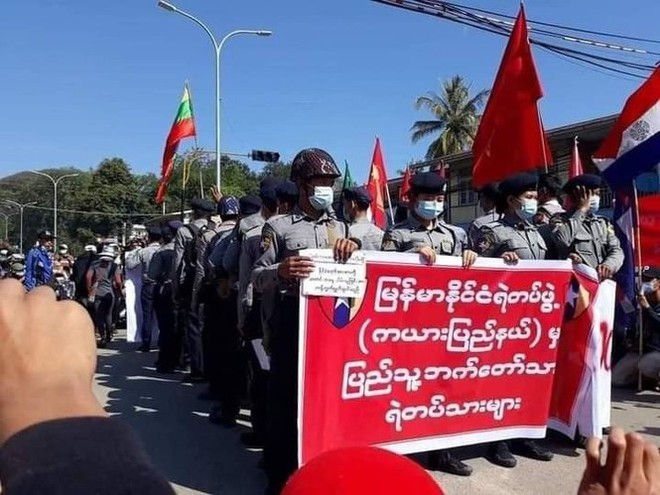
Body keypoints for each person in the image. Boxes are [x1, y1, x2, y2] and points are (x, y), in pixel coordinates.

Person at [252, 148, 360, 494]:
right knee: (285, 401)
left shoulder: (342, 226)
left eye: (330, 182)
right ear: (301, 184)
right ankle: (279, 474)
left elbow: (356, 272)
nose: (326, 188)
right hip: (291, 321)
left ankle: (318, 468)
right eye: (319, 182)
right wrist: (280, 271)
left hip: (331, 325)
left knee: (325, 401)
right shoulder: (277, 227)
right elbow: (255, 277)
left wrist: (353, 249)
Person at [381, 171, 477, 477]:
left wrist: (474, 257)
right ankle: (404, 453)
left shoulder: (455, 235)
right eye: (428, 199)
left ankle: (442, 452)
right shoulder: (397, 235)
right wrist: (411, 256)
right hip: (409, 328)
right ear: (412, 200)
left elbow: (471, 272)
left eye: (438, 200)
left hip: (446, 327)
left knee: (443, 388)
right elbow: (382, 270)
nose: (434, 205)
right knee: (407, 390)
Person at [472, 172, 555, 468]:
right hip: (500, 321)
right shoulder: (491, 232)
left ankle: (525, 434)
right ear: (511, 200)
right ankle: (498, 441)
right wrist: (498, 263)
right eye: (529, 197)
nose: (534, 202)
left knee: (528, 380)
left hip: (533, 320)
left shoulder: (535, 231)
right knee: (501, 381)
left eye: (535, 197)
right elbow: (474, 273)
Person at [236, 183, 283, 448]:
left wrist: (242, 318)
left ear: (265, 205)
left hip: (260, 313)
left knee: (262, 374)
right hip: (295, 316)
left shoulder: (253, 234)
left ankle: (261, 432)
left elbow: (246, 282)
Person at [173, 197, 217, 383]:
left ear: (195, 212)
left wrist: (176, 286)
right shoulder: (215, 230)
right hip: (214, 280)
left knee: (193, 325)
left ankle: (196, 367)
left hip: (193, 280)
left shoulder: (184, 231)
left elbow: (178, 262)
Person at [551, 174, 624, 280]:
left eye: (598, 194)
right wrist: (582, 210)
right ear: (578, 196)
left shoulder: (603, 223)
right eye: (592, 194)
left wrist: (609, 265)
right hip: (577, 285)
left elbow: (616, 249)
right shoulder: (559, 219)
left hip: (602, 284)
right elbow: (562, 240)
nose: (597, 198)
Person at [612, 266, 660, 389]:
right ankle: (645, 380)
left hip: (657, 351)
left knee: (646, 365)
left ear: (658, 283)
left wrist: (647, 308)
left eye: (649, 279)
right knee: (617, 379)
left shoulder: (647, 305)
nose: (645, 282)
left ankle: (653, 377)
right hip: (642, 349)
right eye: (643, 279)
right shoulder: (638, 301)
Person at [149, 221, 182, 374]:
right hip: (183, 291)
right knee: (181, 327)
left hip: (165, 291)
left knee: (166, 327)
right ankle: (182, 360)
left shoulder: (162, 252)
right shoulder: (187, 247)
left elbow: (152, 274)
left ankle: (166, 361)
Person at [129, 227, 163, 352]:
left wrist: (134, 251)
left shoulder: (143, 252)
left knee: (147, 315)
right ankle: (162, 341)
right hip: (161, 285)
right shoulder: (163, 250)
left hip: (148, 286)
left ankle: (146, 343)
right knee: (161, 316)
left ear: (149, 237)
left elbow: (130, 265)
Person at [85, 246, 123, 348]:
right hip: (109, 293)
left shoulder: (94, 264)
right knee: (108, 315)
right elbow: (118, 281)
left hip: (97, 292)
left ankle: (102, 336)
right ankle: (109, 334)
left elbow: (88, 277)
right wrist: (120, 291)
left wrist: (90, 289)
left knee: (99, 316)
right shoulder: (114, 266)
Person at [342, 186, 385, 250]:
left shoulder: (346, 232)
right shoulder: (381, 233)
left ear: (352, 204)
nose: (344, 207)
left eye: (345, 203)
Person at [467, 182, 500, 250]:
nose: (480, 202)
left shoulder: (478, 224)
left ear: (487, 199)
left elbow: (472, 249)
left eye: (481, 197)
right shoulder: (510, 219)